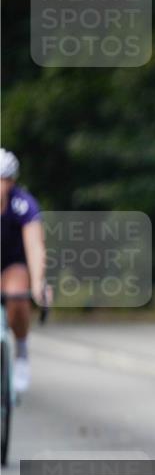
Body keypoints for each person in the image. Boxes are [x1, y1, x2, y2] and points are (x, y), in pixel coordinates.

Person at [1, 148, 49, 393]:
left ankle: (20, 350)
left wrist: (39, 283)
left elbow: (34, 246)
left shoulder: (22, 205)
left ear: (11, 182)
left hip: (13, 264)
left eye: (3, 180)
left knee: (17, 294)